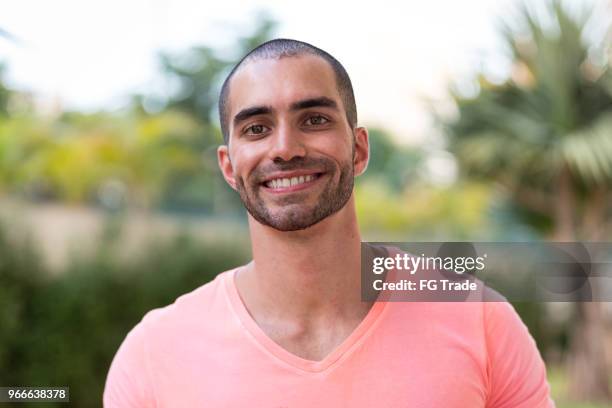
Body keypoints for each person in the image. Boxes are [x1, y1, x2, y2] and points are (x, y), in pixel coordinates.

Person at [103, 38, 555, 407]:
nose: (285, 148)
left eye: (314, 119)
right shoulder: (154, 353)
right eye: (256, 128)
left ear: (359, 148)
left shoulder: (478, 321)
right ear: (228, 165)